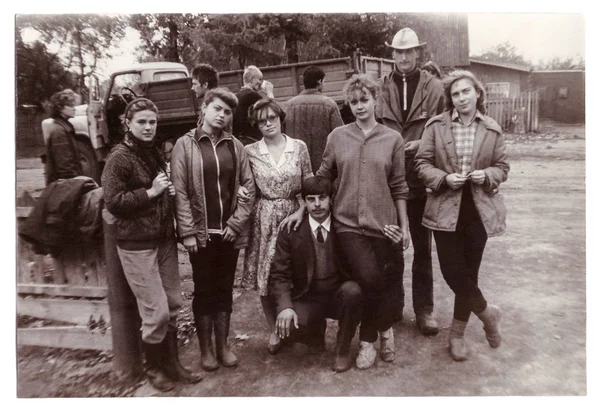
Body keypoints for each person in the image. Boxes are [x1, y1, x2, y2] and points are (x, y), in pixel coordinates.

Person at [102, 98, 203, 392]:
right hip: (136, 245)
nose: (148, 127)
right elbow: (114, 202)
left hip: (164, 241)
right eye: (142, 122)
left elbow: (159, 189)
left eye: (152, 122)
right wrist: (151, 191)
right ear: (128, 124)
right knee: (155, 311)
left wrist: (166, 191)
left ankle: (171, 364)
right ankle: (153, 368)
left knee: (172, 304)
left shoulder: (153, 151)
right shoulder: (118, 157)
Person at [317, 74, 410, 370]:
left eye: (364, 100)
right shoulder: (337, 137)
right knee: (371, 279)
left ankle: (374, 335)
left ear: (375, 100)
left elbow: (399, 187)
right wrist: (302, 208)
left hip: (384, 225)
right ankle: (377, 335)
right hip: (346, 224)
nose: (359, 106)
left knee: (379, 282)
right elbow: (322, 178)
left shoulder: (393, 139)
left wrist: (404, 227)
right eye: (354, 101)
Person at [414, 70, 508, 361]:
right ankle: (488, 313)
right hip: (445, 207)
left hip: (478, 209)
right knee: (452, 271)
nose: (461, 98)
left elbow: (502, 167)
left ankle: (456, 336)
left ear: (478, 93)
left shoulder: (492, 129)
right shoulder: (435, 127)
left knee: (469, 272)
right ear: (449, 99)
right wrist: (443, 178)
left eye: (466, 91)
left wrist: (487, 175)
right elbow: (421, 163)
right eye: (455, 94)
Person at [170, 88, 256, 371]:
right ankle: (205, 350)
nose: (222, 115)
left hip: (228, 234)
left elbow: (249, 187)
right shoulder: (185, 145)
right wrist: (188, 231)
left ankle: (223, 346)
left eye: (227, 112)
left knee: (224, 289)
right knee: (204, 289)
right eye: (217, 108)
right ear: (204, 108)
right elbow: (179, 191)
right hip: (201, 235)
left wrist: (235, 223)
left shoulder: (236, 146)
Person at [376, 27, 445, 336]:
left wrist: (424, 145)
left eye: (409, 51)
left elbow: (446, 131)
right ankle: (392, 307)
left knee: (422, 249)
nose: (403, 57)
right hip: (387, 181)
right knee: (389, 249)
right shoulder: (379, 88)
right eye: (398, 51)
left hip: (421, 181)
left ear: (419, 53)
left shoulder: (436, 88)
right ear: (393, 54)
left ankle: (424, 309)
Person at [240, 98, 313, 355]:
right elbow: (246, 185)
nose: (268, 123)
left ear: (281, 118)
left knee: (296, 271)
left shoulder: (299, 147)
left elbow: (309, 184)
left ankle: (300, 323)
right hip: (264, 217)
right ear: (256, 124)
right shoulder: (250, 151)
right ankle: (274, 328)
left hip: (294, 214)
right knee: (267, 274)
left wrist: (303, 210)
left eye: (272, 117)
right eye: (262, 120)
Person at [269, 176, 363, 373]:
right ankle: (314, 334)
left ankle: (342, 349)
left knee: (353, 291)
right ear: (304, 202)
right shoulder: (291, 230)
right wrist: (285, 307)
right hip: (308, 295)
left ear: (331, 199)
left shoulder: (344, 227)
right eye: (311, 199)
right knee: (292, 325)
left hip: (338, 294)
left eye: (322, 198)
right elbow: (279, 274)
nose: (317, 204)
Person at [283, 65, 343, 170]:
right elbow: (340, 135)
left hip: (296, 165)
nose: (324, 84)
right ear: (319, 81)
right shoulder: (329, 104)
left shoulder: (288, 105)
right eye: (324, 81)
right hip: (323, 166)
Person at [44, 89, 84, 185]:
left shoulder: (65, 127)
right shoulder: (59, 132)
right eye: (70, 105)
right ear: (60, 107)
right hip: (64, 186)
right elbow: (65, 168)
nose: (74, 108)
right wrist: (77, 184)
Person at [233, 65, 265, 145]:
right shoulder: (253, 96)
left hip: (238, 140)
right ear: (251, 80)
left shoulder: (236, 96)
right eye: (259, 79)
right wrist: (270, 92)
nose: (261, 83)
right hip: (252, 139)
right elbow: (273, 112)